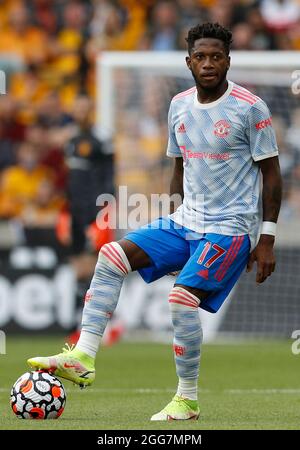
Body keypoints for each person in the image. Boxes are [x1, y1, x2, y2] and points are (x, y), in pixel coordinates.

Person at [27, 22, 282, 421]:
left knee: (181, 299)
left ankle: (187, 399)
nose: (209, 63)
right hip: (185, 221)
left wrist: (265, 239)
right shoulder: (178, 106)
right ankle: (84, 356)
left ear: (228, 60)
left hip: (231, 227)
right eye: (201, 56)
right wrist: (174, 224)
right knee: (112, 254)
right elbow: (179, 168)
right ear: (189, 61)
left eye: (217, 56)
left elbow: (272, 174)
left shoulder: (250, 108)